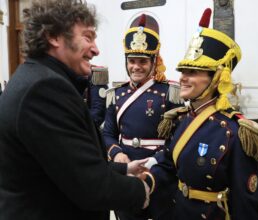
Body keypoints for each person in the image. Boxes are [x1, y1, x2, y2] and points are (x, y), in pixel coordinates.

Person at [0, 1, 151, 219]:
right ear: (53, 36)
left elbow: (66, 163)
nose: (96, 49)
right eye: (88, 37)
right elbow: (90, 185)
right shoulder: (44, 89)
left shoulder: (35, 76)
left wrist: (123, 170)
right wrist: (139, 191)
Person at [140, 8, 258, 219]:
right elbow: (169, 165)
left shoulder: (236, 131)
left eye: (192, 72)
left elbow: (247, 199)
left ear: (215, 79)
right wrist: (145, 183)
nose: (183, 78)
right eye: (183, 72)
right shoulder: (179, 119)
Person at [102, 14, 183, 220]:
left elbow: (178, 138)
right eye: (132, 61)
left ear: (153, 62)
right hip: (126, 169)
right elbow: (109, 133)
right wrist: (117, 153)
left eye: (142, 61)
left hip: (159, 169)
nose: (136, 67)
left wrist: (155, 160)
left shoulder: (169, 92)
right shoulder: (116, 94)